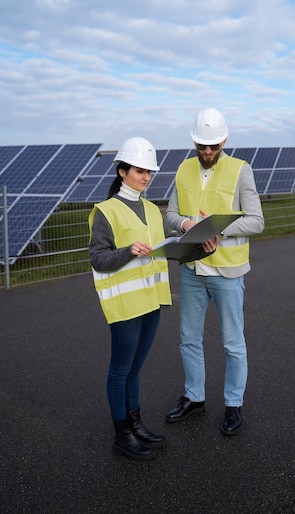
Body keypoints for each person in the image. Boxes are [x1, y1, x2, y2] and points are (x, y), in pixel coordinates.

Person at [165, 108, 264, 435]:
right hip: (193, 268)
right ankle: (195, 398)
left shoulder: (241, 171)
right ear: (194, 141)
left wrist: (218, 230)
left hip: (228, 273)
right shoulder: (183, 169)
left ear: (224, 140)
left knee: (233, 344)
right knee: (188, 339)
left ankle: (234, 404)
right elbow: (171, 214)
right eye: (201, 146)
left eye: (213, 146)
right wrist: (186, 224)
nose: (207, 152)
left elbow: (256, 221)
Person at [88, 137, 172, 461]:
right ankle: (122, 435)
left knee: (135, 370)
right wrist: (128, 251)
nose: (146, 177)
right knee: (120, 370)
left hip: (151, 301)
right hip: (125, 305)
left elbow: (163, 252)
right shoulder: (106, 212)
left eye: (149, 171)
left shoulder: (153, 210)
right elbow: (98, 258)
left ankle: (136, 425)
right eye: (139, 170)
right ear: (122, 171)